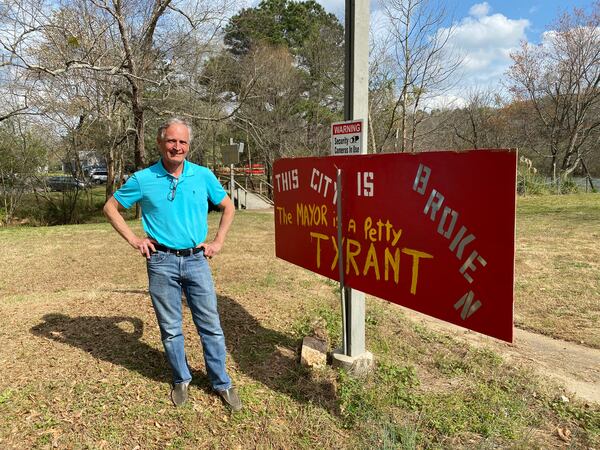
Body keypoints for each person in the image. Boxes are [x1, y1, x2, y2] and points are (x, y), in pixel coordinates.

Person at [103, 118, 241, 411]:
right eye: (171, 141)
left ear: (188, 146)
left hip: (196, 260)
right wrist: (134, 240)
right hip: (161, 262)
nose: (177, 147)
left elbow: (228, 206)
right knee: (170, 328)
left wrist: (218, 241)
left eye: (182, 142)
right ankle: (181, 378)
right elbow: (110, 207)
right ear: (160, 142)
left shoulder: (202, 175)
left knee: (211, 326)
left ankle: (221, 383)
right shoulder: (143, 178)